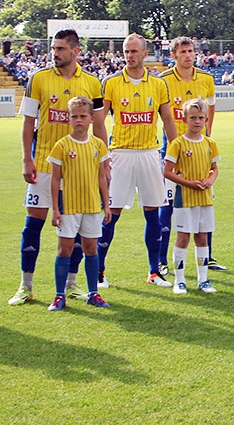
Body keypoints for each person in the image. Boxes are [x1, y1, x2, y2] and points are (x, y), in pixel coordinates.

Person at [9, 29, 106, 306]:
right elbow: (29, 122)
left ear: (76, 51)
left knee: (75, 228)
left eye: (61, 49)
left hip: (80, 170)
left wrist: (104, 161)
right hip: (43, 165)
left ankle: (71, 284)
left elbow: (98, 125)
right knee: (33, 224)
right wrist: (27, 160)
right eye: (54, 48)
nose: (55, 53)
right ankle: (26, 285)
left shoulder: (91, 82)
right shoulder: (38, 79)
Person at [100, 33, 178, 288]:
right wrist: (102, 155)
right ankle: (99, 270)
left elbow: (167, 120)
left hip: (149, 153)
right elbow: (99, 119)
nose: (129, 56)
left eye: (134, 51)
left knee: (152, 212)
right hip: (120, 153)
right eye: (126, 52)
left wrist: (174, 152)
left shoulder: (157, 84)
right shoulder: (111, 82)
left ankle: (154, 271)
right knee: (112, 213)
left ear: (145, 54)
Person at [158, 36, 221, 277]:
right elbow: (163, 115)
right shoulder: (163, 80)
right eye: (183, 51)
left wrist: (208, 135)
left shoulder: (206, 78)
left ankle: (208, 255)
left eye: (191, 51)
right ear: (173, 55)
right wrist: (175, 144)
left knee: (205, 198)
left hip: (200, 150)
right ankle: (163, 259)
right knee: (170, 203)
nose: (188, 55)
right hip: (173, 149)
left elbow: (211, 108)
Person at [46, 97, 112, 311]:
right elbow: (55, 179)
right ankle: (59, 295)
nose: (78, 120)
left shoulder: (98, 145)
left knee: (90, 248)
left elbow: (102, 177)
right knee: (64, 249)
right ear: (68, 119)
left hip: (92, 206)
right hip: (69, 206)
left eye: (83, 116)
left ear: (92, 118)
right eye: (74, 116)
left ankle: (93, 293)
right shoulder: (62, 146)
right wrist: (55, 209)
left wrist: (107, 205)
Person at [163, 98, 220, 293]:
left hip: (205, 197)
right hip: (184, 198)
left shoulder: (210, 143)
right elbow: (167, 171)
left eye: (201, 118)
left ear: (206, 119)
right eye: (193, 117)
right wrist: (189, 183)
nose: (197, 121)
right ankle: (180, 280)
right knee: (183, 237)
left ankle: (203, 280)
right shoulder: (178, 143)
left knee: (202, 237)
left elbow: (214, 169)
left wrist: (210, 181)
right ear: (185, 119)